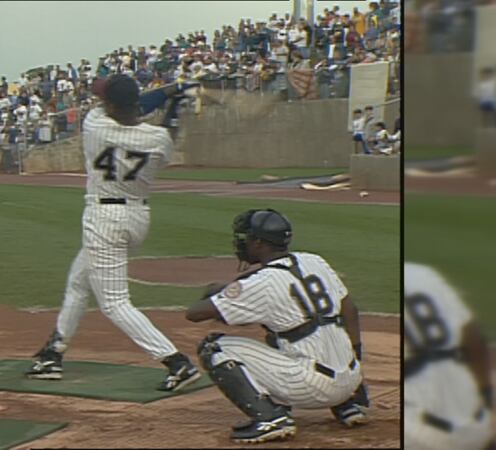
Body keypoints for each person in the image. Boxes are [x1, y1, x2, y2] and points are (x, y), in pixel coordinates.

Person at [25, 74, 202, 392]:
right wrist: (176, 101)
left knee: (114, 303)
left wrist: (168, 92)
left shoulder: (95, 124)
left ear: (109, 104)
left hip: (104, 217)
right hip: (137, 215)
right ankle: (53, 353)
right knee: (78, 282)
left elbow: (138, 104)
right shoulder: (158, 139)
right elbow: (157, 121)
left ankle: (176, 361)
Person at [184, 209, 369, 443]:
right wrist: (357, 363)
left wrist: (225, 289)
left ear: (259, 242)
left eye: (247, 238)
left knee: (214, 348)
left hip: (313, 387)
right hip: (351, 376)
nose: (242, 243)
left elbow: (195, 313)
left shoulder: (261, 284)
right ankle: (346, 404)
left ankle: (270, 418)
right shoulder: (314, 261)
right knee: (291, 331)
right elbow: (350, 309)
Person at [404, 263, 493, 450]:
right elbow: (474, 339)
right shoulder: (425, 275)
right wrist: (486, 397)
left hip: (422, 437)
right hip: (478, 424)